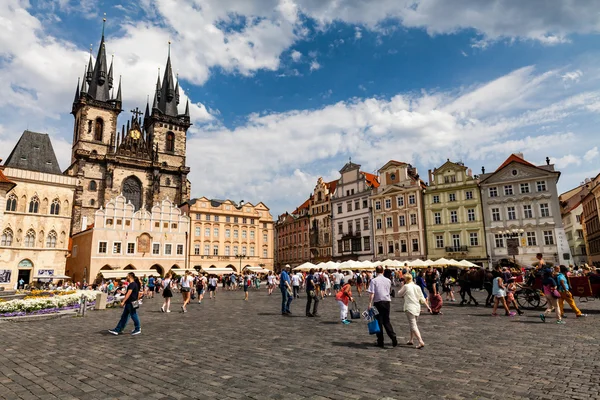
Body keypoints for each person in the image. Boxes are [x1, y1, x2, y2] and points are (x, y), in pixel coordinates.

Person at [367, 265, 398, 348]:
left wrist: (369, 303)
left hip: (378, 302)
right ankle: (393, 336)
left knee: (379, 322)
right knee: (386, 321)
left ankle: (380, 341)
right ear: (383, 271)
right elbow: (389, 290)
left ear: (376, 271)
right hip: (387, 302)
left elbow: (372, 293)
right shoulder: (388, 280)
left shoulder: (374, 281)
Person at [398, 274, 430, 349]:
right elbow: (422, 298)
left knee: (413, 325)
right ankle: (411, 339)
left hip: (409, 308)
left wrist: (402, 285)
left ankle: (420, 341)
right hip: (417, 308)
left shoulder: (406, 286)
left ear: (405, 280)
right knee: (413, 324)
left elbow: (399, 294)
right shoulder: (417, 287)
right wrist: (428, 306)